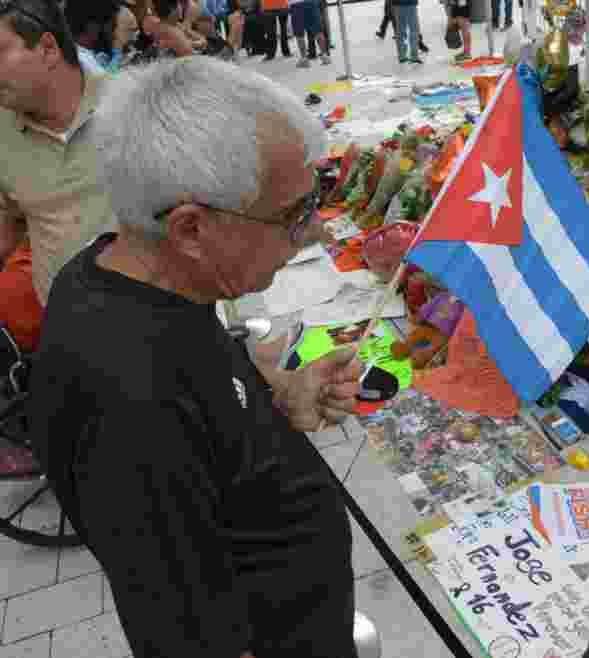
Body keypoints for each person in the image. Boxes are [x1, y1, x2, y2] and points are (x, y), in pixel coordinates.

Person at [30, 57, 364, 658]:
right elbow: (184, 634)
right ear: (190, 229)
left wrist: (277, 396)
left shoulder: (125, 272)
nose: (311, 232)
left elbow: (205, 400)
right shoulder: (131, 405)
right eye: (292, 215)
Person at [0, 0, 116, 353]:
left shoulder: (130, 107)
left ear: (48, 48)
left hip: (158, 328)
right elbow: (8, 221)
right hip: (68, 338)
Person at [65, 0, 137, 75]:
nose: (113, 34)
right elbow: (107, 82)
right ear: (92, 26)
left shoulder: (79, 54)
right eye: (113, 27)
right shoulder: (84, 62)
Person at [288, 0, 327, 67]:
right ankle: (325, 57)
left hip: (296, 5)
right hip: (311, 3)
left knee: (299, 34)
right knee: (318, 31)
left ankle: (304, 59)